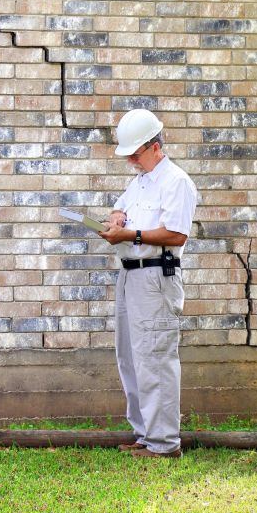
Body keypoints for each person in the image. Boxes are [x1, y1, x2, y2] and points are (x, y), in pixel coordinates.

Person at [99, 108, 197, 458]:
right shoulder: (140, 182)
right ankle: (145, 435)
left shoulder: (176, 182)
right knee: (131, 357)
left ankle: (164, 443)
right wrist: (115, 217)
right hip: (131, 274)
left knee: (155, 357)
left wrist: (131, 233)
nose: (130, 161)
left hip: (156, 275)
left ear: (155, 146)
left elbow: (176, 234)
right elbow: (120, 208)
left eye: (135, 154)